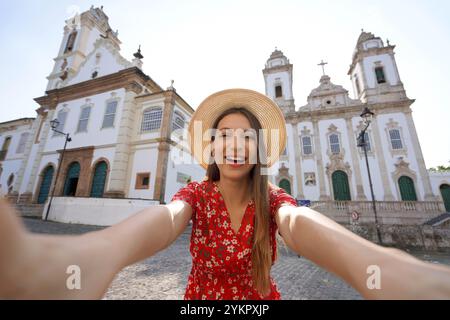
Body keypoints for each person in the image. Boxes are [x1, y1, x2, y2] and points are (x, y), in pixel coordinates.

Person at [1, 89, 450, 300]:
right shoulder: (196, 194)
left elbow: (299, 225)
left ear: (258, 149)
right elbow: (167, 219)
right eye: (225, 136)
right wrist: (94, 254)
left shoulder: (274, 200)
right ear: (212, 147)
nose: (235, 145)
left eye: (246, 137)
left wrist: (382, 269)